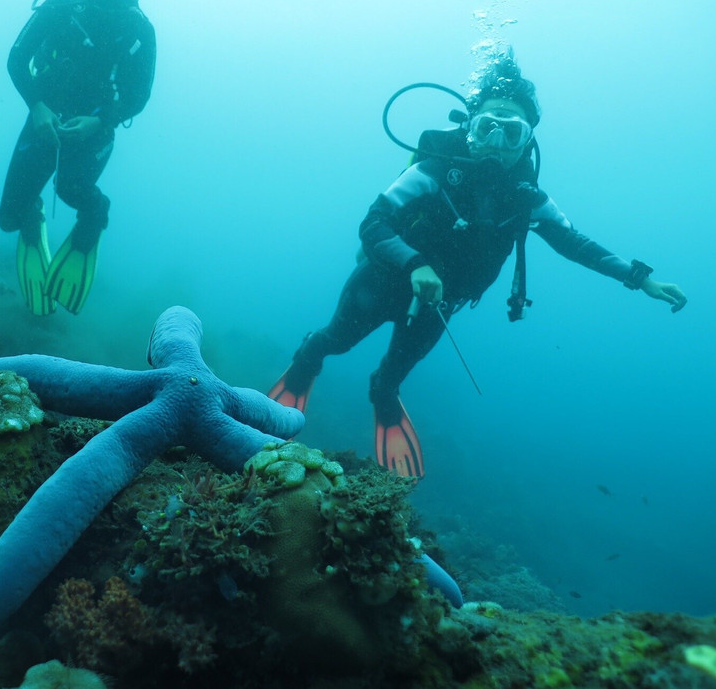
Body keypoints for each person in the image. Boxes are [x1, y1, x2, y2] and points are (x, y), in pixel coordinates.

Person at [269, 50, 687, 479]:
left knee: (392, 377)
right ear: (470, 127)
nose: (496, 144)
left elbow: (575, 244)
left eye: (512, 132)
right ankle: (306, 362)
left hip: (439, 306)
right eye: (487, 127)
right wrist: (415, 264)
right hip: (381, 281)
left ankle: (385, 397)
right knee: (333, 341)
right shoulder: (435, 169)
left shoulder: (527, 197)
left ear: (526, 141)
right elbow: (374, 222)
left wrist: (641, 278)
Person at [0, 0, 156, 315]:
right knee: (8, 218)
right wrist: (37, 107)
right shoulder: (60, 7)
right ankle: (31, 215)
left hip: (95, 128)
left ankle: (94, 214)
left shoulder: (140, 29)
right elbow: (17, 58)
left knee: (71, 189)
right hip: (45, 119)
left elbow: (139, 96)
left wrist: (98, 123)